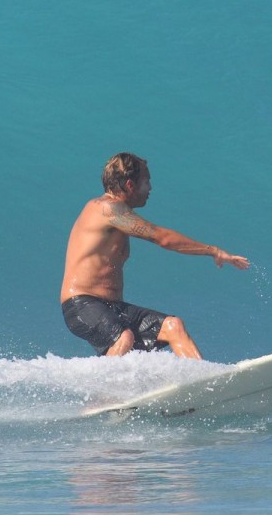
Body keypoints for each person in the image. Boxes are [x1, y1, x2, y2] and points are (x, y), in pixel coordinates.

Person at [60, 152, 249, 360]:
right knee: (124, 337)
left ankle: (203, 382)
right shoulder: (107, 209)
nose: (150, 188)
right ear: (131, 185)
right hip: (81, 304)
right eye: (147, 181)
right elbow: (162, 238)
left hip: (113, 308)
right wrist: (213, 250)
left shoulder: (118, 216)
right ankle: (105, 393)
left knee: (173, 326)